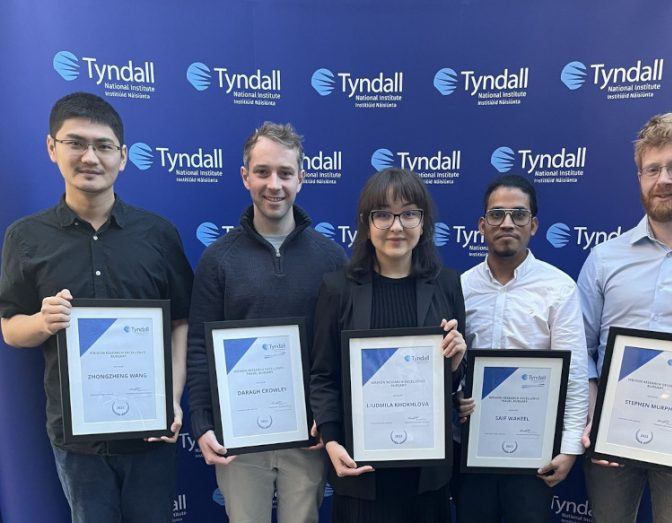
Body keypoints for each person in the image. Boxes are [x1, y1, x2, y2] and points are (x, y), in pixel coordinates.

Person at [0, 92, 193, 523]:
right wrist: (42, 321)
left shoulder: (158, 234)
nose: (90, 157)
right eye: (76, 143)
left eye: (103, 146)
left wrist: (174, 400)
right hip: (76, 440)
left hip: (151, 430)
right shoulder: (25, 238)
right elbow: (10, 328)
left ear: (122, 157)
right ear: (52, 148)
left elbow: (181, 321)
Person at [186, 122, 346, 523]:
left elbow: (340, 345)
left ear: (301, 179)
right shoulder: (218, 260)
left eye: (285, 173)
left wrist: (329, 419)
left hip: (306, 436)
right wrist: (202, 421)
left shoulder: (330, 259)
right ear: (245, 177)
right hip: (238, 437)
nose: (274, 184)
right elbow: (200, 348)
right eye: (262, 172)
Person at [578, 110, 672, 523]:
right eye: (652, 168)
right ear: (639, 176)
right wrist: (594, 409)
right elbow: (581, 345)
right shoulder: (605, 258)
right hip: (613, 421)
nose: (665, 179)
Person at [310, 167, 467, 522]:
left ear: (424, 222)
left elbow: (458, 386)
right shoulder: (338, 289)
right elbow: (323, 375)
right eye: (383, 214)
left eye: (409, 213)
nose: (396, 226)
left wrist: (457, 364)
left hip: (426, 475)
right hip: (361, 473)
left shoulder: (447, 284)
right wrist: (332, 441)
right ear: (366, 224)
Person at [452, 174, 588, 523]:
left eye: (519, 214)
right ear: (482, 225)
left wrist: (570, 448)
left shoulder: (559, 289)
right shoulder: (459, 287)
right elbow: (451, 365)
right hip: (473, 450)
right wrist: (457, 396)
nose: (507, 223)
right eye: (496, 214)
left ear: (534, 224)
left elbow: (572, 375)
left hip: (534, 453)